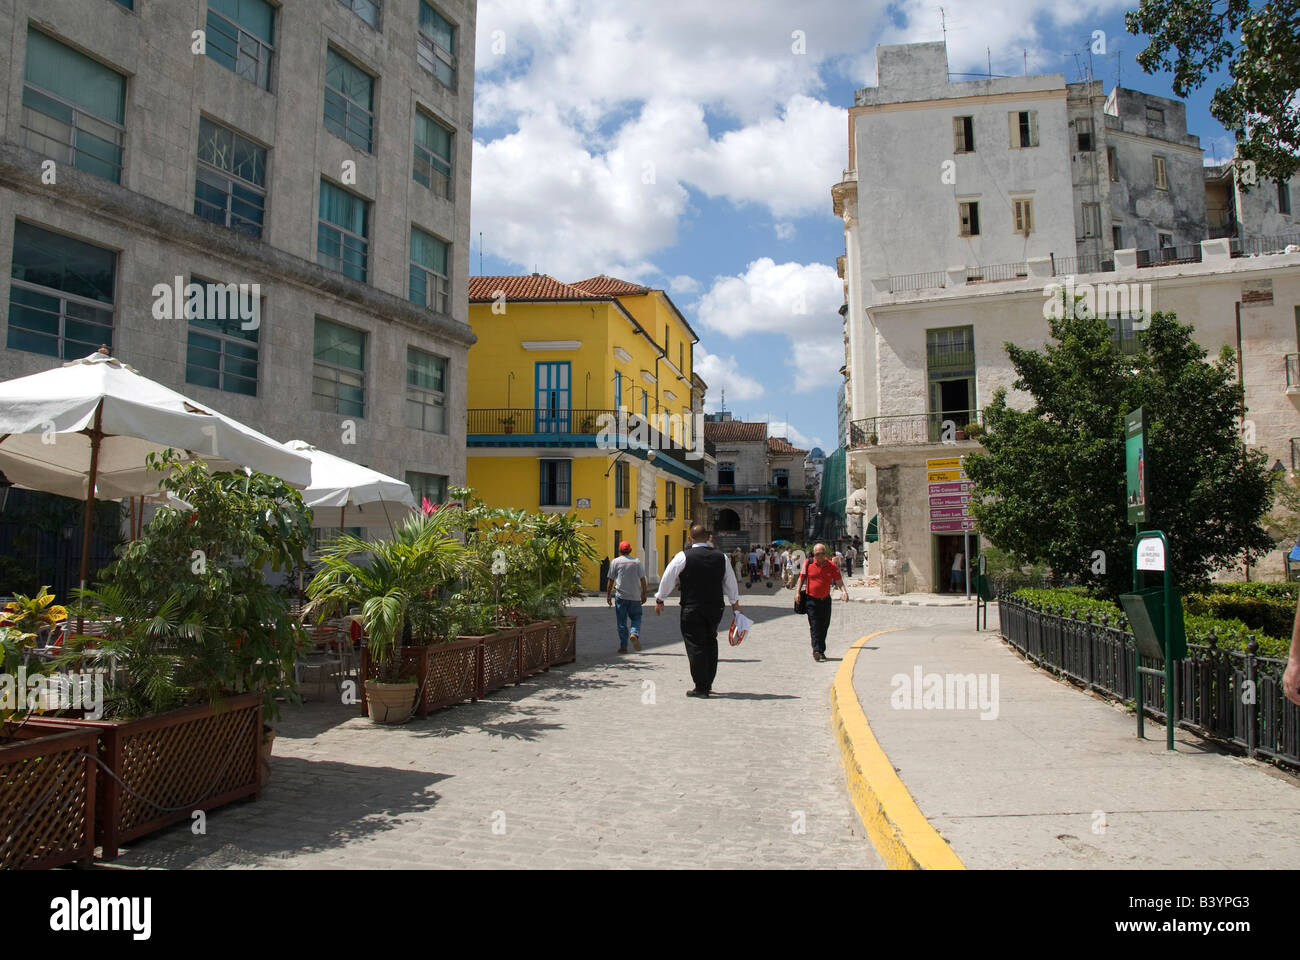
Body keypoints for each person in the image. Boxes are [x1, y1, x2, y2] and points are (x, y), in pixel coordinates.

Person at [655, 524, 741, 697]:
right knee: (711, 641)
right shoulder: (721, 557)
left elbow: (668, 577)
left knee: (695, 644)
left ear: (690, 539)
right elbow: (730, 583)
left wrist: (660, 598)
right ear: (708, 538)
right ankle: (708, 682)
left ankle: (700, 686)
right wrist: (735, 606)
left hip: (692, 606)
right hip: (715, 607)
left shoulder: (683, 556)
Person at [794, 543, 849, 662]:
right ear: (814, 554)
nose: (819, 556)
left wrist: (844, 591)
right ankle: (816, 650)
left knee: (824, 625)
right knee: (815, 625)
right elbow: (801, 578)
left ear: (826, 554)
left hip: (825, 600)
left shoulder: (831, 565)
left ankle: (821, 650)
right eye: (817, 554)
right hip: (811, 600)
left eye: (822, 554)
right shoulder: (808, 563)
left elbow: (838, 581)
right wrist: (797, 592)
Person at [606, 541, 646, 653]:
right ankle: (634, 633)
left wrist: (608, 595)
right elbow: (643, 579)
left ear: (619, 551)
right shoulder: (636, 562)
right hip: (635, 596)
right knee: (637, 617)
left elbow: (611, 580)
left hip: (621, 596)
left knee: (621, 622)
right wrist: (644, 593)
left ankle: (624, 646)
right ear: (630, 550)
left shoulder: (615, 562)